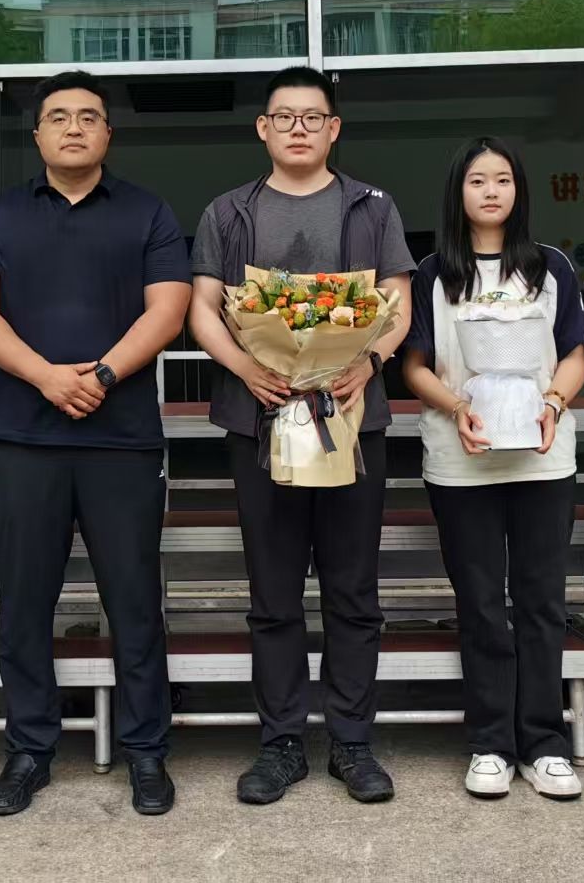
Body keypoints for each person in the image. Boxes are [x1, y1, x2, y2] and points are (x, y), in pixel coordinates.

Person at [0, 71, 191, 817]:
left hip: (122, 440)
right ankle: (29, 748)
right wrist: (47, 377)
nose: (75, 128)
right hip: (22, 437)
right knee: (24, 601)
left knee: (135, 599)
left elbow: (169, 310)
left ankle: (146, 750)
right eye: (59, 117)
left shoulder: (148, 212)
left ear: (108, 133)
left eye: (89, 117)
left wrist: (105, 374)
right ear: (38, 135)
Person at [187, 66, 414, 805]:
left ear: (333, 128)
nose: (297, 128)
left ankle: (351, 741)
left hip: (352, 417)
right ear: (263, 128)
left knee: (353, 589)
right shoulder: (228, 212)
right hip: (259, 417)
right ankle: (281, 741)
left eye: (312, 117)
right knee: (274, 591)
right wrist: (245, 366)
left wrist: (368, 362)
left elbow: (398, 303)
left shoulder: (372, 207)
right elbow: (203, 308)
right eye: (283, 116)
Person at [400, 136, 584, 801]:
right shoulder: (432, 273)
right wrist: (457, 407)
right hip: (461, 460)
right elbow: (414, 364)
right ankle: (489, 742)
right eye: (477, 180)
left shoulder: (550, 265)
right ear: (458, 191)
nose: (490, 191)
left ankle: (543, 741)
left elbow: (575, 353)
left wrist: (553, 403)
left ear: (518, 189)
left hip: (543, 457)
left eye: (502, 179)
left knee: (541, 601)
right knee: (480, 602)